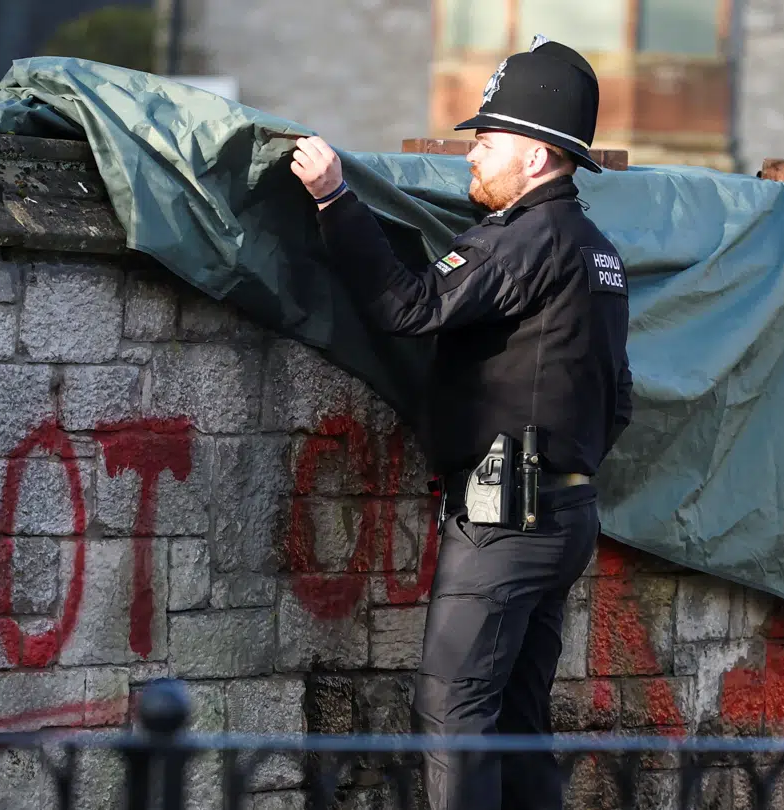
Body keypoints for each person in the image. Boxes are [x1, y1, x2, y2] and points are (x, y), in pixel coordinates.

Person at [289, 36, 632, 810]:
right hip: (564, 513)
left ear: (539, 158)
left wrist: (336, 200)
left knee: (451, 714)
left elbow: (409, 307)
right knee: (515, 721)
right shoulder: (595, 251)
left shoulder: (525, 240)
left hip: (505, 515)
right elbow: (620, 398)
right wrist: (557, 472)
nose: (470, 154)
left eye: (487, 139)